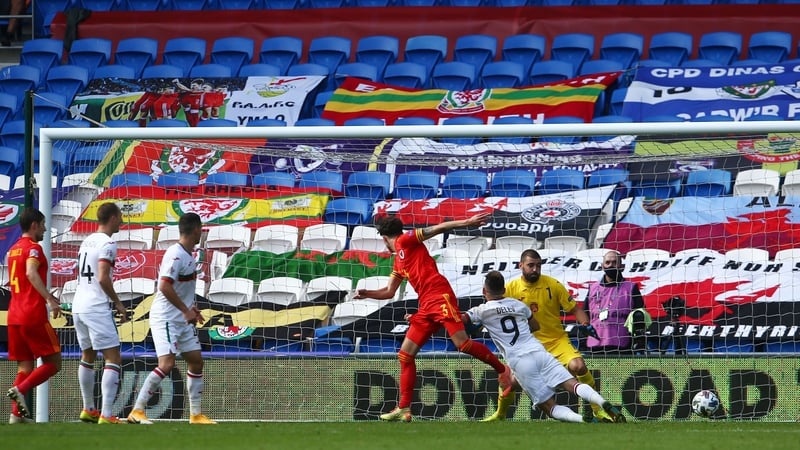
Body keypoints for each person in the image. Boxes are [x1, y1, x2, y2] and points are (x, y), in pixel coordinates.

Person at [353, 213, 513, 422]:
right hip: (425, 304)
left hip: (439, 295)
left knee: (462, 344)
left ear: (384, 238)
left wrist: (465, 222)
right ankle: (403, 408)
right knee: (405, 355)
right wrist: (367, 293)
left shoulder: (405, 240)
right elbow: (389, 292)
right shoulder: (398, 262)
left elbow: (438, 228)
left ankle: (503, 370)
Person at [463, 271, 625, 423]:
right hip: (539, 351)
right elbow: (535, 326)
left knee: (548, 407)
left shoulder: (481, 310)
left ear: (484, 291)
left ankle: (584, 419)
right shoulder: (518, 305)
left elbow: (463, 320)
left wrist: (475, 325)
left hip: (520, 361)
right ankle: (603, 402)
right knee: (573, 384)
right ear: (504, 290)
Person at [126, 213, 216, 425]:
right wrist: (185, 310)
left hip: (181, 318)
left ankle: (195, 415)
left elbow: (179, 288)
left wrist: (191, 309)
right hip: (166, 318)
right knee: (166, 364)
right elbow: (164, 286)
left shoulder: (187, 255)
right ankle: (137, 411)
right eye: (201, 230)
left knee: (195, 360)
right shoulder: (175, 255)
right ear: (196, 230)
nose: (201, 234)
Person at [72, 202, 129, 424]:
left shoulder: (87, 241)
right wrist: (118, 303)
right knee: (113, 357)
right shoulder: (108, 243)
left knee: (87, 355)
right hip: (95, 305)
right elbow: (103, 277)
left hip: (78, 303)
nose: (122, 221)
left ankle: (88, 409)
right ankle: (106, 414)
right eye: (120, 216)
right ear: (113, 218)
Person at [5, 207, 63, 424]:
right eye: (43, 224)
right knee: (55, 362)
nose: (46, 229)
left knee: (25, 367)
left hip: (14, 316)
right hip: (32, 314)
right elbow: (30, 272)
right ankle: (20, 389)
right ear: (34, 225)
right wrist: (49, 298)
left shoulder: (13, 250)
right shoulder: (33, 249)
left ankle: (16, 416)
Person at [584, 250, 648, 354]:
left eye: (614, 262)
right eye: (608, 262)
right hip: (594, 346)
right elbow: (584, 315)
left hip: (622, 346)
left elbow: (640, 317)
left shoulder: (631, 288)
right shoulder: (592, 288)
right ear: (603, 266)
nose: (611, 265)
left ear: (621, 266)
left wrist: (638, 341)